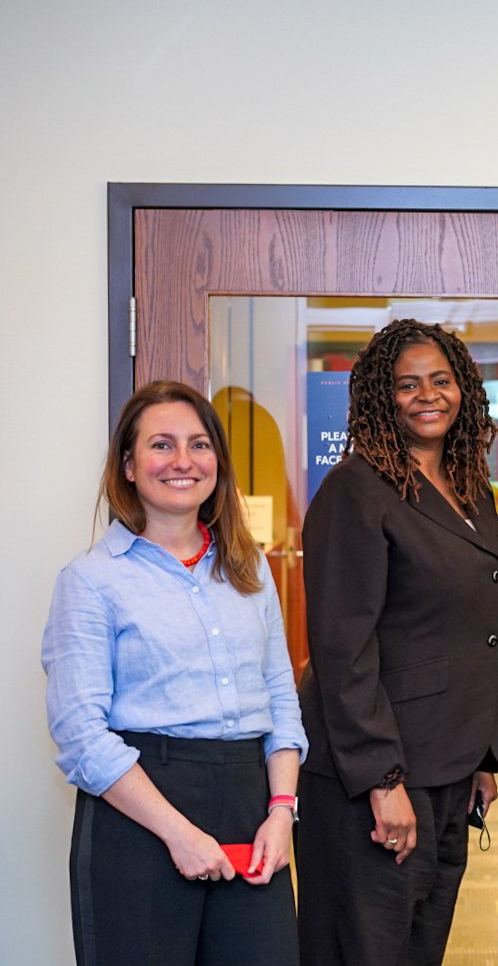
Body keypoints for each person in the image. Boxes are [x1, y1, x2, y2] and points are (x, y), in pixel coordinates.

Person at [42, 381, 306, 966]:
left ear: (218, 462)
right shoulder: (90, 581)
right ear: (130, 466)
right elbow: (82, 736)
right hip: (138, 817)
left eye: (199, 444)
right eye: (162, 445)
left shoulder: (250, 569)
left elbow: (281, 701)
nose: (183, 461)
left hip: (251, 809)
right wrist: (177, 833)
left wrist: (282, 813)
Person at [296, 319, 498, 965]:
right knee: (362, 952)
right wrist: (383, 779)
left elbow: (479, 626)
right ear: (379, 397)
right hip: (376, 775)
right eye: (407, 384)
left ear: (464, 389)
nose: (429, 395)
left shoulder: (469, 489)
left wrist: (483, 753)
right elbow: (343, 650)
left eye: (442, 380)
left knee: (419, 951)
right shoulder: (355, 490)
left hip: (447, 767)